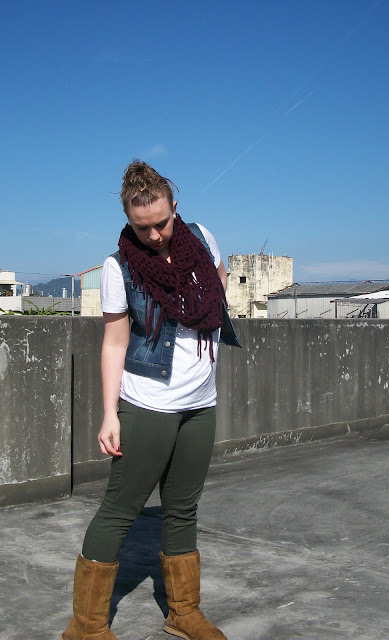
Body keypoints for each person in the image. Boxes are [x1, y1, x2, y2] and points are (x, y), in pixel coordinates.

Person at [62, 160, 240, 640]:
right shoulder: (118, 267)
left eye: (161, 223)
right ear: (128, 220)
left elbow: (219, 282)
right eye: (143, 228)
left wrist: (199, 308)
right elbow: (114, 342)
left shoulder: (202, 238)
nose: (155, 235)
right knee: (119, 511)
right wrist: (109, 414)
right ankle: (85, 627)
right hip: (146, 405)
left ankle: (183, 612)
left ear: (174, 208)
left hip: (200, 403)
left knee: (183, 509)